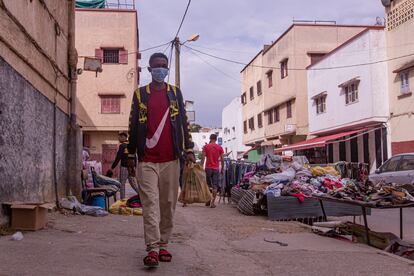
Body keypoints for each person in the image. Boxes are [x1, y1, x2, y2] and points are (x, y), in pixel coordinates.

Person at [126, 52, 195, 268]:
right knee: (150, 204)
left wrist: (189, 148)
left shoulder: (175, 94)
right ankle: (153, 249)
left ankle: (164, 244)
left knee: (168, 204)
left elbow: (184, 121)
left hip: (171, 160)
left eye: (164, 66)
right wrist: (130, 154)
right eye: (156, 66)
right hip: (146, 160)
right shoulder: (140, 95)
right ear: (149, 69)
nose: (161, 69)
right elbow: (133, 126)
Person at [107, 132, 138, 199]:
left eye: (119, 137)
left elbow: (118, 157)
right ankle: (142, 196)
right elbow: (135, 156)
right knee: (133, 183)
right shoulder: (131, 145)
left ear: (123, 137)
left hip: (124, 167)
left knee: (122, 184)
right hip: (131, 167)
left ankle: (122, 199)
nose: (118, 139)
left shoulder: (122, 146)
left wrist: (112, 167)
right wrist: (134, 167)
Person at [201, 134, 224, 208]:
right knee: (215, 186)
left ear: (210, 138)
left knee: (207, 185)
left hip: (208, 168)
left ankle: (207, 201)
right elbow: (222, 159)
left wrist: (201, 167)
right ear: (216, 139)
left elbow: (203, 157)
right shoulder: (219, 147)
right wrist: (222, 169)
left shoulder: (206, 146)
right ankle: (212, 203)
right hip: (216, 168)